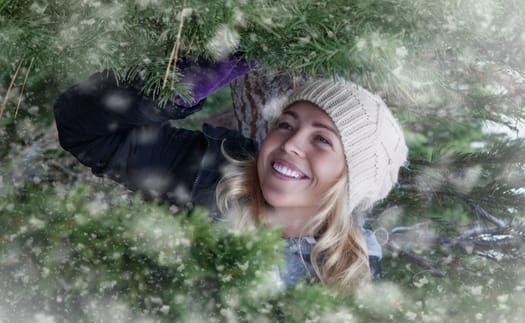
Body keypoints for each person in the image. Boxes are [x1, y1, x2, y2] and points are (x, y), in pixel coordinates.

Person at [54, 56, 408, 293]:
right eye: (285, 124)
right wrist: (181, 82)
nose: (290, 144)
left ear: (352, 176)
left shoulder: (353, 279)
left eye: (321, 140)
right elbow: (83, 129)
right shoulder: (210, 170)